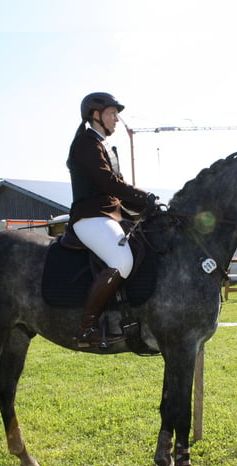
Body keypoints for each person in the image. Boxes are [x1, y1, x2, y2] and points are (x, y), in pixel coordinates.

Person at [67, 92, 157, 348]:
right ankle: (86, 328)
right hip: (90, 218)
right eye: (112, 113)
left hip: (110, 215)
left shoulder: (103, 145)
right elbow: (108, 183)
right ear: (96, 116)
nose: (117, 119)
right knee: (121, 260)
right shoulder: (86, 143)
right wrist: (143, 196)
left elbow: (116, 192)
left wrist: (147, 205)